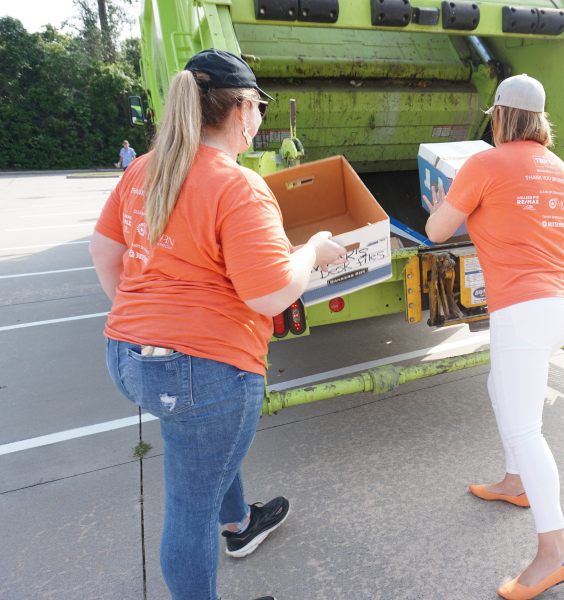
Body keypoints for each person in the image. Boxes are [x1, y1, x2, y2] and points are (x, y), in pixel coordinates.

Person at [89, 49, 345, 600]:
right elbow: (271, 291)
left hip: (129, 355)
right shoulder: (238, 185)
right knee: (188, 509)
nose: (259, 120)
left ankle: (241, 525)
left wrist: (144, 321)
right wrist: (313, 251)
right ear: (242, 110)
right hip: (203, 371)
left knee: (199, 453)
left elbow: (105, 249)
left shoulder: (144, 167)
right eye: (258, 107)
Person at [424, 74, 564, 600]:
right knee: (501, 389)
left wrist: (450, 199)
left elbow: (436, 231)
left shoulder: (485, 163)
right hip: (563, 303)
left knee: (524, 429)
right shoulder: (561, 170)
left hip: (523, 309)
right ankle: (516, 483)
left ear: (500, 116)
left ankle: (554, 552)